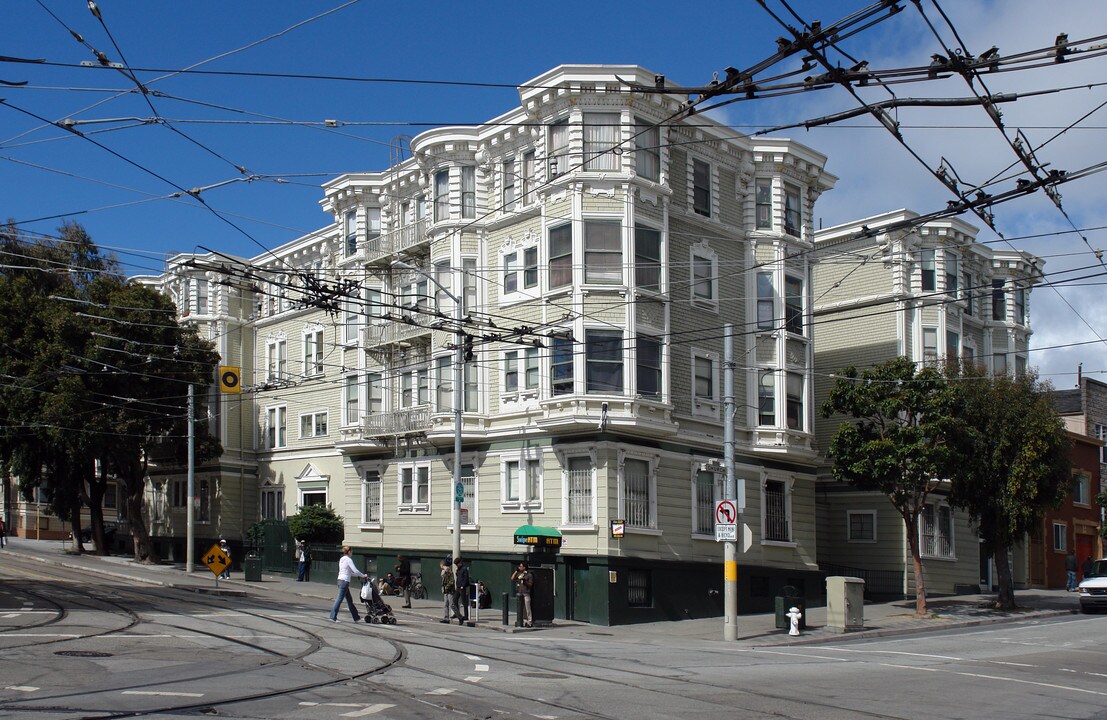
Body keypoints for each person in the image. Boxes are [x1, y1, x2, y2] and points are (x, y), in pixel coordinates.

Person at [329, 545, 367, 623]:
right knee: (339, 599)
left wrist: (359, 575)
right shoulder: (348, 560)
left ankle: (356, 617)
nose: (352, 553)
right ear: (349, 552)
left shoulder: (342, 559)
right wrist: (363, 575)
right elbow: (355, 571)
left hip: (340, 580)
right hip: (344, 582)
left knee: (349, 600)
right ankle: (332, 617)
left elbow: (350, 573)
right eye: (351, 551)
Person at [511, 562, 534, 628]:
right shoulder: (519, 574)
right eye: (519, 566)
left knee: (527, 608)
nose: (519, 567)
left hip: (526, 593)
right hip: (520, 593)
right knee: (522, 608)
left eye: (521, 566)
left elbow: (530, 585)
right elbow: (512, 578)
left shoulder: (529, 575)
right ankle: (523, 621)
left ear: (524, 567)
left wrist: (525, 581)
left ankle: (529, 621)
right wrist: (516, 571)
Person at [452, 556, 470, 625]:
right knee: (454, 600)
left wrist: (463, 585)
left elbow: (465, 578)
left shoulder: (464, 569)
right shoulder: (459, 569)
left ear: (460, 563)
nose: (457, 565)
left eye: (457, 564)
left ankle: (466, 616)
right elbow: (458, 577)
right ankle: (457, 613)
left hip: (462, 587)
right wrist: (456, 572)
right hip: (458, 587)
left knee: (464, 602)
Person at [439, 556, 456, 623]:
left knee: (451, 604)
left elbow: (450, 580)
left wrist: (447, 587)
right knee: (445, 604)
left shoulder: (448, 570)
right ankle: (446, 618)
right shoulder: (444, 571)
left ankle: (459, 615)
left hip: (449, 589)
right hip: (445, 590)